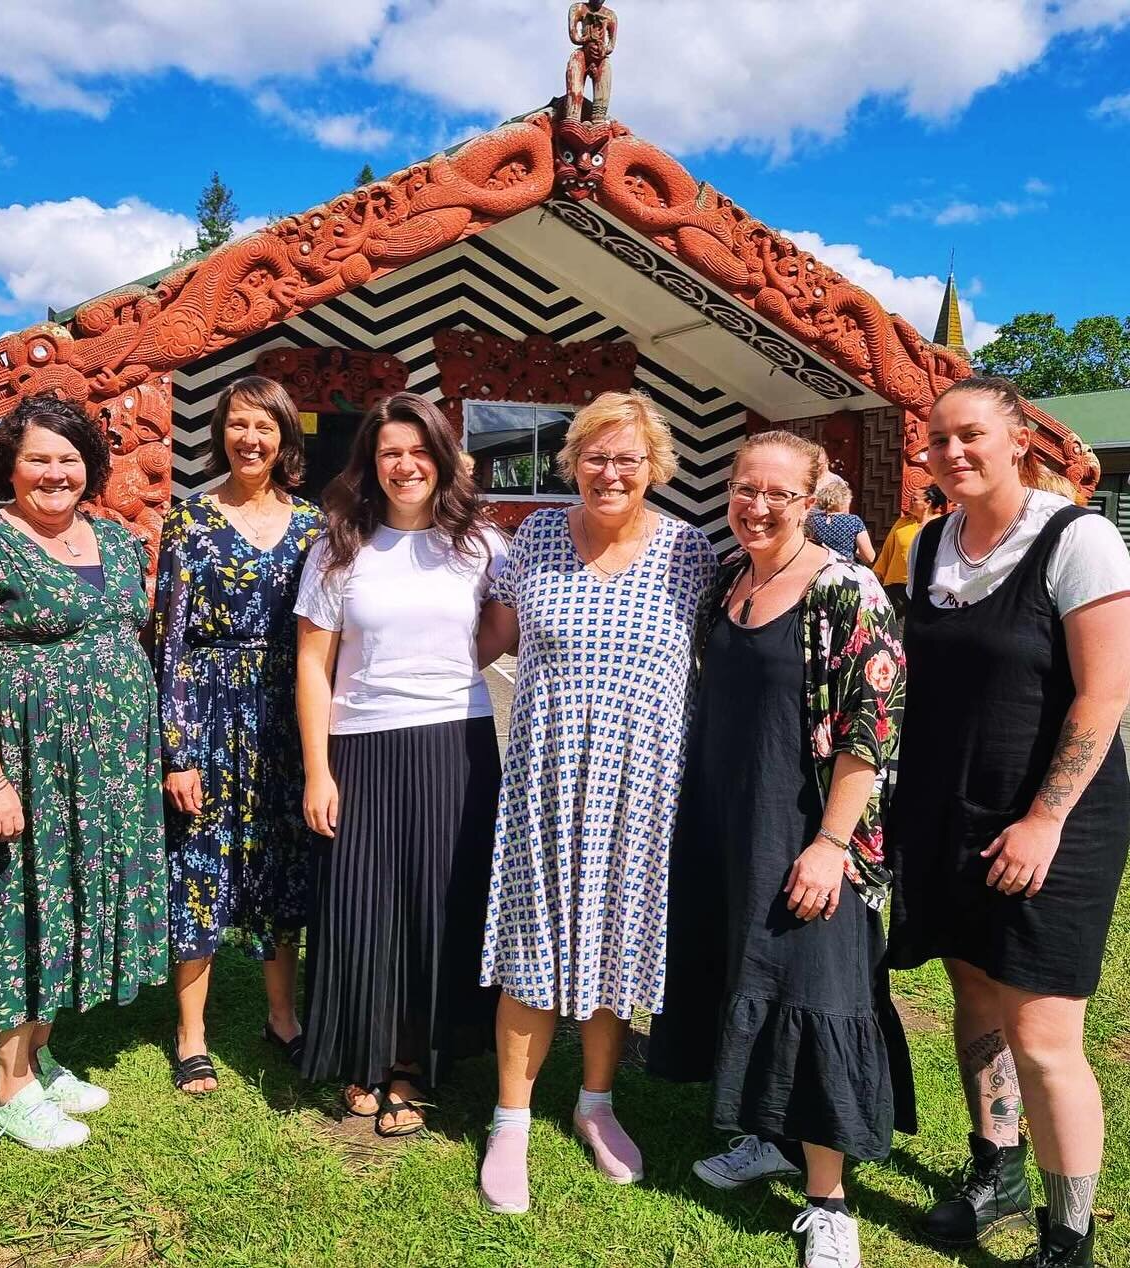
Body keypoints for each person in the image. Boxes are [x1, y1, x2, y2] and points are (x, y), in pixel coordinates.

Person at [646, 430, 916, 1268]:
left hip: (807, 826)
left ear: (812, 503)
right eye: (742, 489)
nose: (756, 507)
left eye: (778, 494)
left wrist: (831, 843)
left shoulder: (846, 591)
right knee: (747, 972)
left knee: (814, 990)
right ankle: (766, 1137)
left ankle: (829, 1202)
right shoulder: (729, 582)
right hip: (727, 822)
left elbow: (872, 730)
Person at [887, 377, 1130, 1267]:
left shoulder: (1080, 538)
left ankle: (1070, 1240)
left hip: (1051, 821)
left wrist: (1045, 818)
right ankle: (998, 1169)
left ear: (1020, 438)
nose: (951, 453)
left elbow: (1104, 697)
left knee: (1043, 1033)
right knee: (976, 999)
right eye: (937, 440)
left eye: (970, 436)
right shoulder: (931, 546)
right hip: (951, 811)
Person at [474, 390, 717, 1215]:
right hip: (544, 775)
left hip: (644, 785)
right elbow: (487, 639)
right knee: (531, 942)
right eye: (594, 456)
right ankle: (511, 1117)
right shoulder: (534, 537)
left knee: (617, 943)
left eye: (627, 459)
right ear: (571, 462)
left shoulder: (691, 552)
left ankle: (596, 1103)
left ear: (655, 468)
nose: (609, 472)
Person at [0, 394, 170, 1153]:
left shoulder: (117, 542)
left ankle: (37, 1051)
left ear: (89, 468)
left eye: (69, 459)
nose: (55, 473)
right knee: (20, 903)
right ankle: (8, 1086)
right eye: (38, 458)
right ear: (11, 466)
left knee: (67, 901)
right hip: (24, 765)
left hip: (107, 771)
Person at [295, 391, 504, 1138]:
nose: (405, 464)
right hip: (362, 744)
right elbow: (313, 666)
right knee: (362, 904)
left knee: (437, 902)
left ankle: (416, 1062)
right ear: (371, 463)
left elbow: (501, 629)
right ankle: (365, 1055)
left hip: (458, 739)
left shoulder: (479, 544)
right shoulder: (338, 546)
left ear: (442, 458)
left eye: (419, 451)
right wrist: (318, 770)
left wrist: (443, 673)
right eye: (390, 452)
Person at [153, 376, 325, 1095]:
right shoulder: (189, 520)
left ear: (285, 437)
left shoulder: (316, 524)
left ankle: (281, 1017)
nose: (250, 440)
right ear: (219, 432)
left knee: (281, 866)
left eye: (265, 427)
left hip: (288, 716)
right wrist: (179, 749)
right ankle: (190, 1033)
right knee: (199, 869)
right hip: (213, 709)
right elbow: (171, 641)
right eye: (237, 425)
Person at [873, 483, 947, 618]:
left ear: (927, 503)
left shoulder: (941, 525)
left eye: (914, 499)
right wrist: (876, 578)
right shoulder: (902, 523)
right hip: (896, 585)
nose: (910, 502)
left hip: (926, 586)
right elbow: (887, 552)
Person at [806, 473, 874, 565]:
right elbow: (869, 557)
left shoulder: (812, 521)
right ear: (844, 501)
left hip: (817, 569)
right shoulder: (853, 521)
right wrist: (856, 553)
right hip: (843, 571)